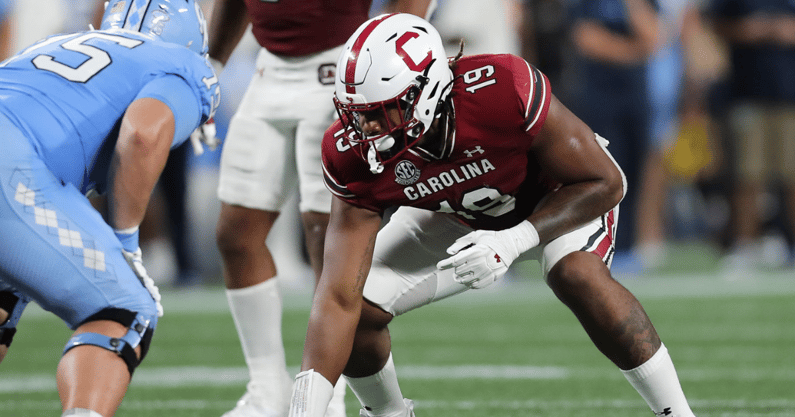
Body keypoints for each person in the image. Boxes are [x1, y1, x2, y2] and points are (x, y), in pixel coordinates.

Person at [287, 13, 697, 417]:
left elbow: (607, 182)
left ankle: (677, 413)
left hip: (555, 196)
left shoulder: (502, 88)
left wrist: (513, 240)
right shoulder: (349, 152)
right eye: (356, 113)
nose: (365, 128)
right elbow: (337, 295)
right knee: (359, 307)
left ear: (425, 92)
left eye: (381, 111)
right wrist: (303, 410)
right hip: (458, 212)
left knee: (576, 274)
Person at [208, 1, 433, 416]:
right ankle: (266, 390)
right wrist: (213, 68)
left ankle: (329, 395)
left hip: (341, 68)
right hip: (268, 72)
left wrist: (395, 61)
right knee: (235, 232)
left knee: (326, 237)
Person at [0, 1, 219, 416]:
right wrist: (125, 241)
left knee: (6, 295)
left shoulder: (56, 42)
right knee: (124, 307)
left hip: (17, 147)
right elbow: (142, 133)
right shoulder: (180, 63)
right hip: (10, 162)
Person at [566, 0, 660, 271]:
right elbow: (587, 41)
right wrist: (634, 51)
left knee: (634, 174)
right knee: (605, 174)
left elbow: (653, 37)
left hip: (636, 100)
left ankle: (629, 246)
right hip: (599, 101)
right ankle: (600, 244)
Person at [708, 0, 795, 269]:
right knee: (747, 175)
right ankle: (745, 245)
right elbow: (714, 23)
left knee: (792, 177)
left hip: (790, 96)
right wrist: (747, 30)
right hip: (746, 94)